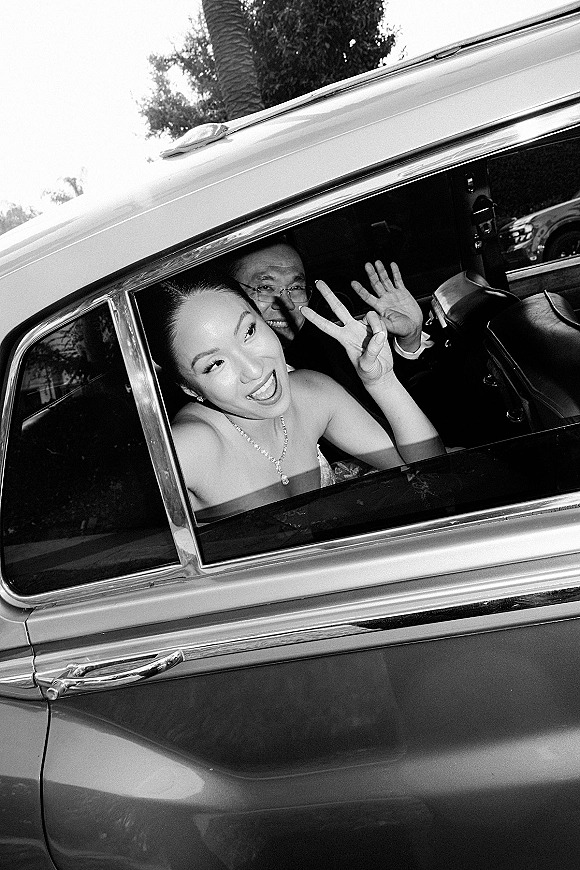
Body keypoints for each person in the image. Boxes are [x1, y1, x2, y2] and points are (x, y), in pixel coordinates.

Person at [142, 271, 444, 523]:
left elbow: (433, 478)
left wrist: (382, 382)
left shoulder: (310, 392)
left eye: (248, 331)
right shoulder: (187, 449)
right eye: (214, 364)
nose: (254, 369)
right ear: (190, 388)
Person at [227, 238, 435, 414]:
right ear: (229, 294)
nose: (287, 304)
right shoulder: (224, 384)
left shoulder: (331, 350)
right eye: (265, 287)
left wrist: (410, 339)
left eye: (296, 287)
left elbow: (404, 411)